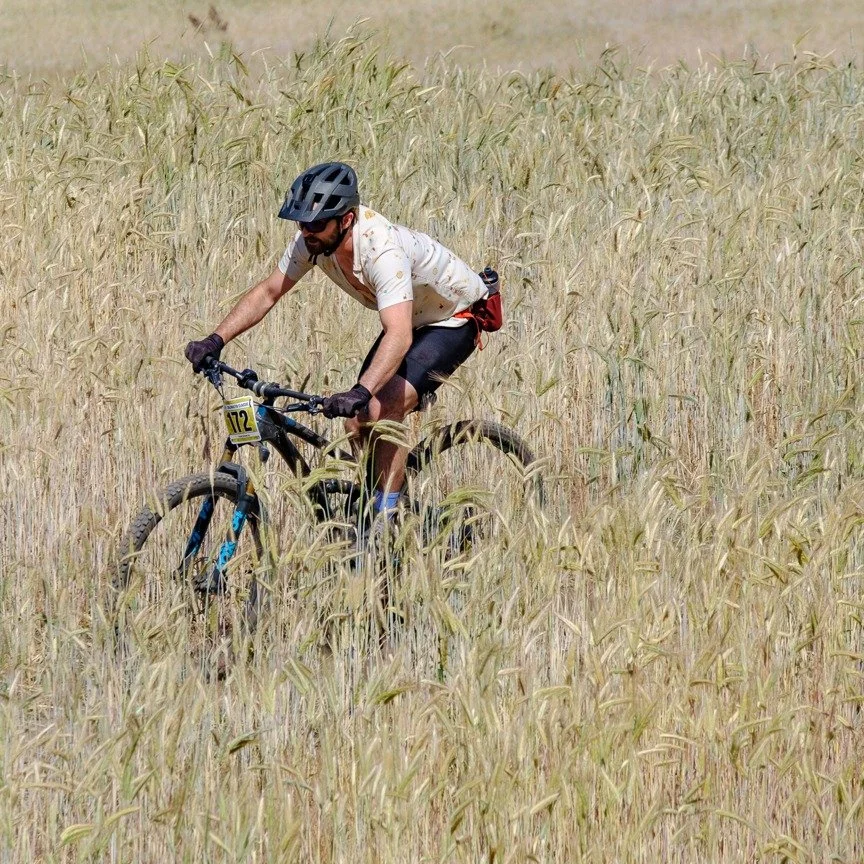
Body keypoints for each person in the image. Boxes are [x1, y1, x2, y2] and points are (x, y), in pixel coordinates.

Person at [185, 161, 498, 522]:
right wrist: (215, 338)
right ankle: (383, 499)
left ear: (346, 220)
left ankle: (384, 521)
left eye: (316, 224)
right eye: (301, 223)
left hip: (453, 317)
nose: (306, 231)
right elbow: (269, 292)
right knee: (355, 424)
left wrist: (362, 392)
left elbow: (398, 335)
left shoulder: (381, 249)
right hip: (410, 315)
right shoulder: (312, 241)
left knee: (378, 410)